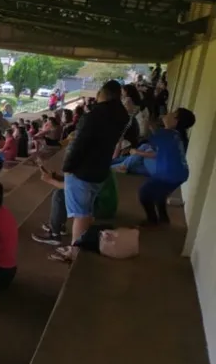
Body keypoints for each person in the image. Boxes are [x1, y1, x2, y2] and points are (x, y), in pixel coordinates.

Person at [50, 80, 129, 262]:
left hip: (83, 170)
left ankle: (74, 251)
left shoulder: (94, 115)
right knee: (86, 211)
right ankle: (79, 245)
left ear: (103, 93)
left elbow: (79, 144)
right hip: (100, 169)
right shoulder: (122, 115)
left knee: (80, 214)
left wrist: (67, 167)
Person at [124, 108, 194, 225]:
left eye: (172, 113)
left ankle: (152, 220)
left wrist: (147, 122)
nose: (168, 114)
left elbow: (147, 135)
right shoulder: (180, 136)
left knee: (144, 192)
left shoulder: (167, 134)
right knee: (160, 195)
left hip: (168, 174)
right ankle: (163, 218)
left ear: (176, 121)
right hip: (180, 174)